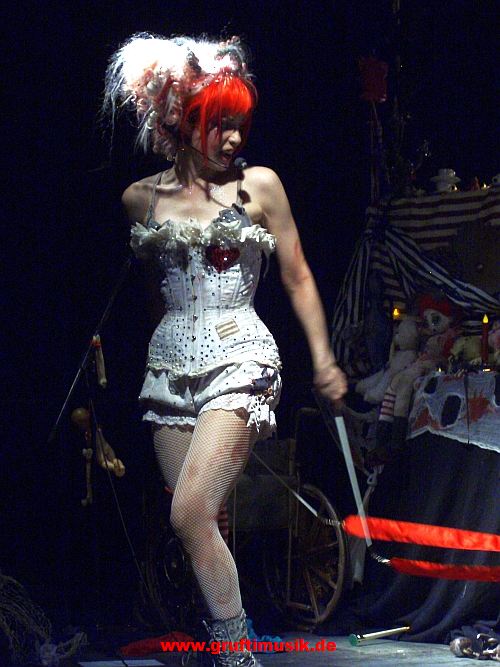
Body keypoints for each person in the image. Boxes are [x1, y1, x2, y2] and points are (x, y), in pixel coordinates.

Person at [104, 33, 346, 667]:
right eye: (221, 125)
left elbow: (297, 274)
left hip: (241, 358)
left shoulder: (259, 187)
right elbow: (153, 296)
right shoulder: (140, 199)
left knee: (189, 512)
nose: (235, 139)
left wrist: (322, 358)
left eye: (241, 125)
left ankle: (238, 655)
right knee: (197, 522)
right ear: (184, 123)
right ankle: (210, 645)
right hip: (169, 366)